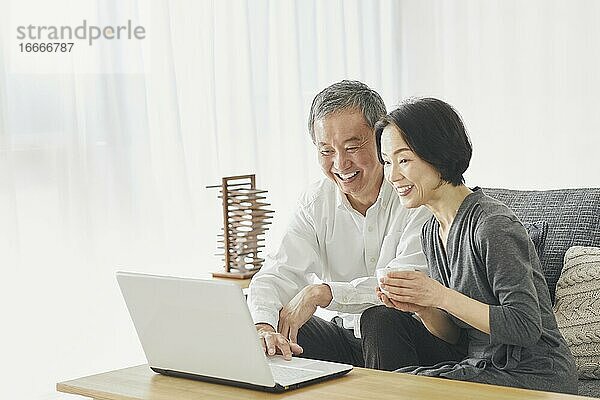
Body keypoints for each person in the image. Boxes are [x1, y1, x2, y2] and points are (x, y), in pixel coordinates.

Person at [373, 97, 578, 394]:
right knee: (390, 383)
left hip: (536, 375)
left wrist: (438, 295)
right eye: (387, 162)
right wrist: (425, 307)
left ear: (437, 153)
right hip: (481, 367)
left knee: (401, 389)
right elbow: (455, 336)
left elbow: (525, 326)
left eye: (404, 160)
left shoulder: (493, 225)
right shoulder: (432, 232)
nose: (392, 176)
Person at [247, 81, 432, 368]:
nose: (341, 163)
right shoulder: (316, 201)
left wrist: (322, 292)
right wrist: (262, 326)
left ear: (381, 139)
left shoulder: (413, 193)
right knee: (276, 333)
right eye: (326, 151)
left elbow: (399, 288)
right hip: (343, 336)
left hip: (403, 337)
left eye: (352, 147)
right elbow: (279, 271)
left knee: (379, 320)